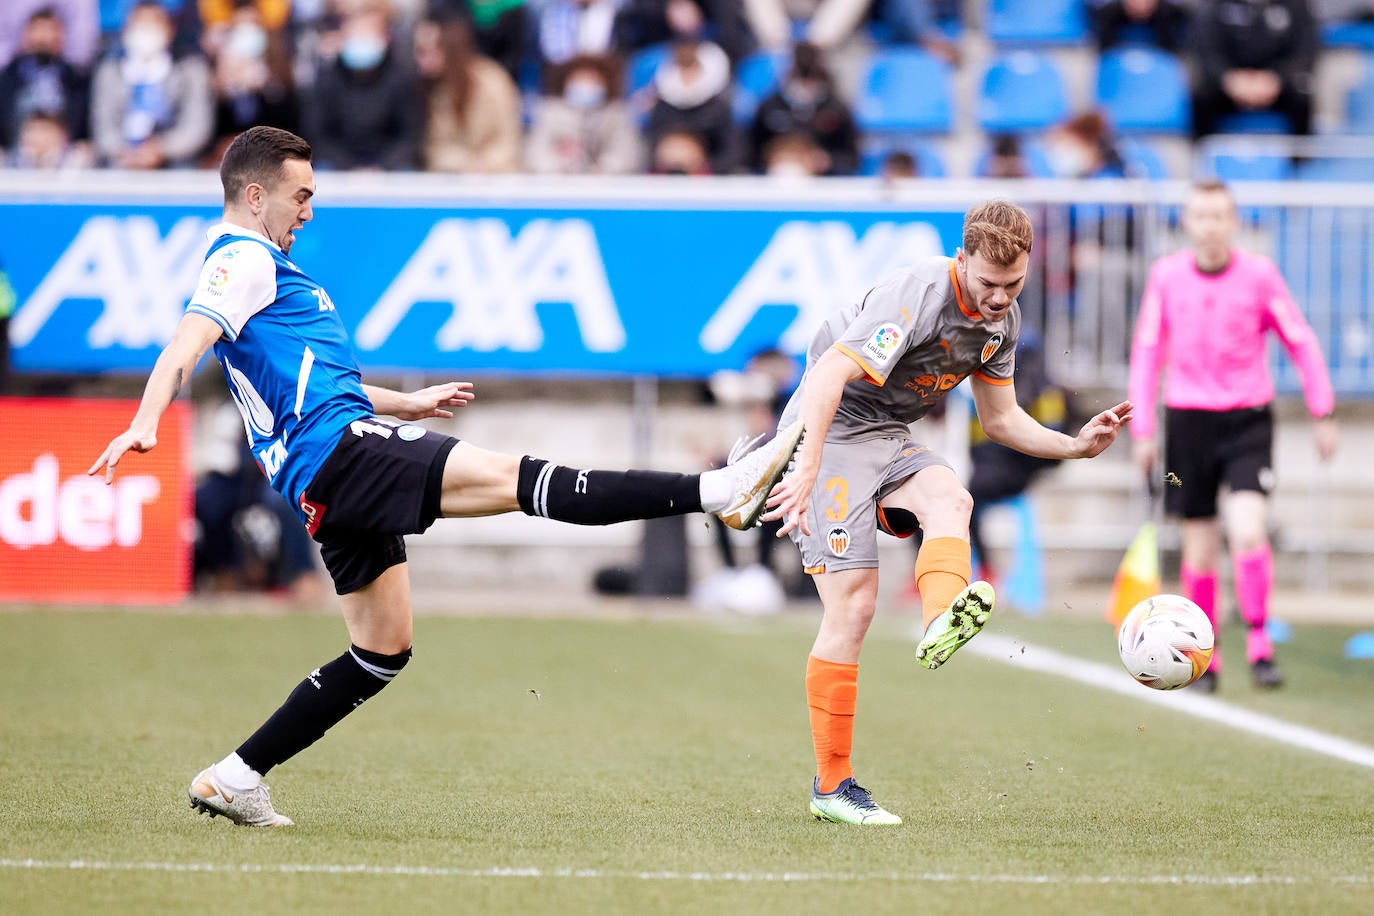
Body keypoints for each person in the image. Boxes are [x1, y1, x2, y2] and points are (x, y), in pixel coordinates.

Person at [88, 125, 806, 828]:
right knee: (524, 480)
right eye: (299, 195)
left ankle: (235, 776)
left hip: (327, 472)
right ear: (254, 195)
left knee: (381, 651)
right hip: (343, 453)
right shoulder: (239, 257)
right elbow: (187, 341)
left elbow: (318, 385)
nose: (308, 210)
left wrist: (410, 403)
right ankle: (720, 490)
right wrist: (147, 419)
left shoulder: (262, 269)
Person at [765, 200, 1132, 825]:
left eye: (1013, 285)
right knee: (854, 606)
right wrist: (804, 464)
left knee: (952, 497)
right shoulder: (918, 296)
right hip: (831, 432)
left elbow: (1001, 420)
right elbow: (826, 374)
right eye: (988, 283)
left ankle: (942, 617)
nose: (999, 297)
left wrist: (1074, 445)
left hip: (886, 434)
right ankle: (832, 786)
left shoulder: (1003, 323)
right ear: (962, 259)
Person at [1128, 179, 1337, 692]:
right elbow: (1148, 351)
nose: (1211, 225)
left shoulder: (1260, 276)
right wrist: (1144, 431)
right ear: (1187, 222)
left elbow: (1300, 339)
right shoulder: (1166, 277)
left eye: (1220, 215)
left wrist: (1322, 409)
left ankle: (1261, 646)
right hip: (1187, 424)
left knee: (1247, 529)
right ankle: (1207, 657)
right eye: (1201, 215)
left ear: (1233, 221)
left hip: (1247, 420)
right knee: (1199, 548)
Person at [1190, 0, 1317, 138]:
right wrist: (1229, 79)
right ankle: (1200, 154)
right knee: (1201, 97)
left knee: (1302, 96)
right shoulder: (1215, 6)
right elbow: (1206, 51)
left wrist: (1277, 79)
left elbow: (1305, 53)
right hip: (1230, 84)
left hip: (1277, 85)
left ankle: (1301, 158)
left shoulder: (1296, 5)